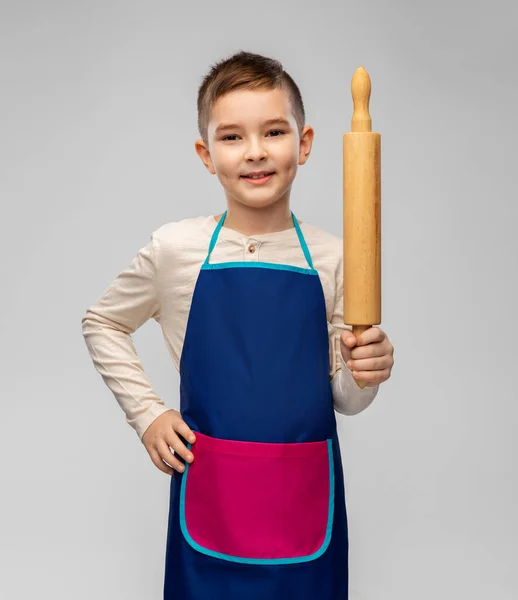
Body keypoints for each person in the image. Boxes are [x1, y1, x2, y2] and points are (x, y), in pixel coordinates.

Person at [81, 50, 395, 600]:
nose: (255, 152)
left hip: (303, 502)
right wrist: (148, 415)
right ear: (206, 154)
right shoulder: (177, 249)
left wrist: (365, 372)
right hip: (212, 498)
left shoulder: (336, 257)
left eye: (274, 131)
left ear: (305, 143)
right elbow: (102, 321)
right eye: (231, 137)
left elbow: (344, 397)